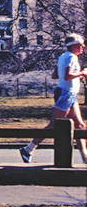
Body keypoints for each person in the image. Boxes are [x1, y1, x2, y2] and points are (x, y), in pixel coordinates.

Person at [20, 33, 87, 165]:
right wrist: (82, 73)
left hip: (68, 93)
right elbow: (67, 76)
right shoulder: (71, 57)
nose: (83, 47)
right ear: (73, 46)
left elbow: (55, 75)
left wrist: (75, 77)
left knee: (80, 126)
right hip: (66, 94)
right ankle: (28, 149)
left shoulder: (63, 57)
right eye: (81, 45)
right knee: (53, 125)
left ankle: (85, 158)